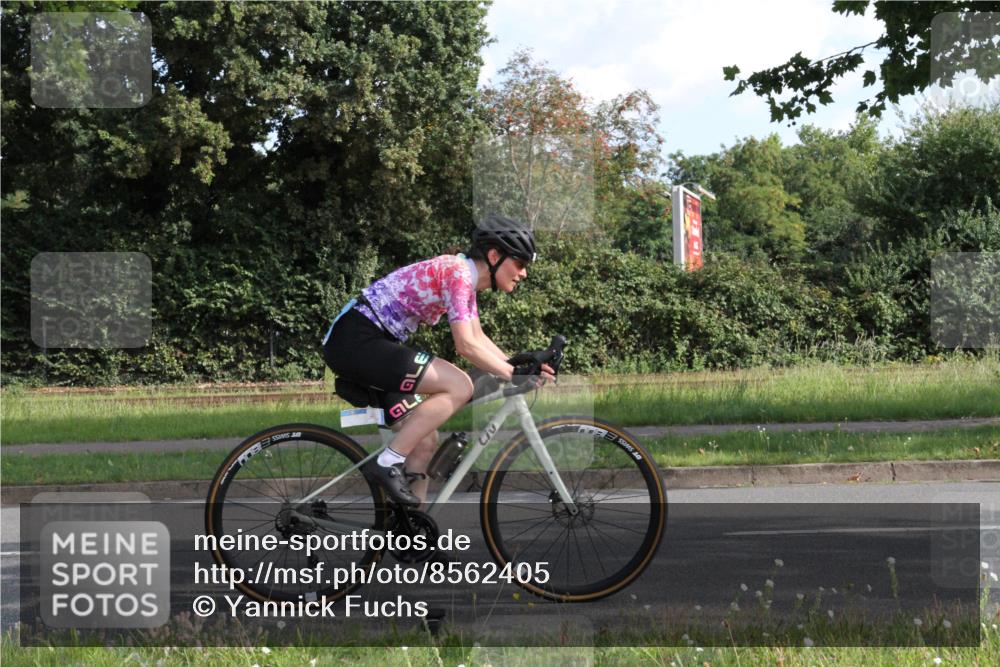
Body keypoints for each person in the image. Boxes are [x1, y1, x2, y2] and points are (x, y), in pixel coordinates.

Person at [322, 214, 556, 507]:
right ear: (495, 256)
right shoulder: (458, 273)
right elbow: (466, 345)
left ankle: (412, 529)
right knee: (459, 385)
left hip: (366, 342)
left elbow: (478, 337)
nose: (523, 273)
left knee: (424, 441)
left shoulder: (464, 276)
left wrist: (516, 366)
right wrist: (513, 374)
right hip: (357, 340)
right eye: (519, 263)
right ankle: (387, 462)